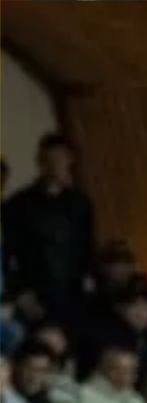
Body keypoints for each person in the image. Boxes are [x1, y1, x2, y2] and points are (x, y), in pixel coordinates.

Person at [1, 133, 95, 327]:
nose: (57, 165)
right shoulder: (18, 205)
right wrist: (20, 292)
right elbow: (8, 252)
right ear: (41, 162)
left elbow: (87, 247)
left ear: (70, 160)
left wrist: (89, 286)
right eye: (51, 160)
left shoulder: (80, 203)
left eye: (61, 159)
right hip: (36, 294)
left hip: (74, 294)